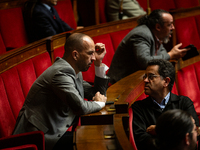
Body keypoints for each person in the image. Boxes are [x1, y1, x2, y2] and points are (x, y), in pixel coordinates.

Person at [12, 33, 110, 150]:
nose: (93, 58)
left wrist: (99, 63)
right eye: (90, 54)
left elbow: (97, 93)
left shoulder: (74, 71)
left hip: (55, 131)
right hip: (39, 138)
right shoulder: (61, 73)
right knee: (97, 141)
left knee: (102, 137)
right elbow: (80, 107)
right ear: (75, 55)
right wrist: (99, 103)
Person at [131, 59, 199, 150]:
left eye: (151, 76)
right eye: (145, 76)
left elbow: (195, 132)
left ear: (166, 81)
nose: (145, 80)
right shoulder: (138, 107)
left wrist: (160, 130)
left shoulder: (184, 102)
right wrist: (177, 134)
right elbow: (142, 140)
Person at [107, 9, 189, 84]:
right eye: (169, 25)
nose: (173, 28)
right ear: (158, 27)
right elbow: (144, 61)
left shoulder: (155, 35)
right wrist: (171, 54)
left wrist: (172, 55)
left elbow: (162, 54)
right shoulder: (141, 35)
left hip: (135, 81)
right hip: (120, 84)